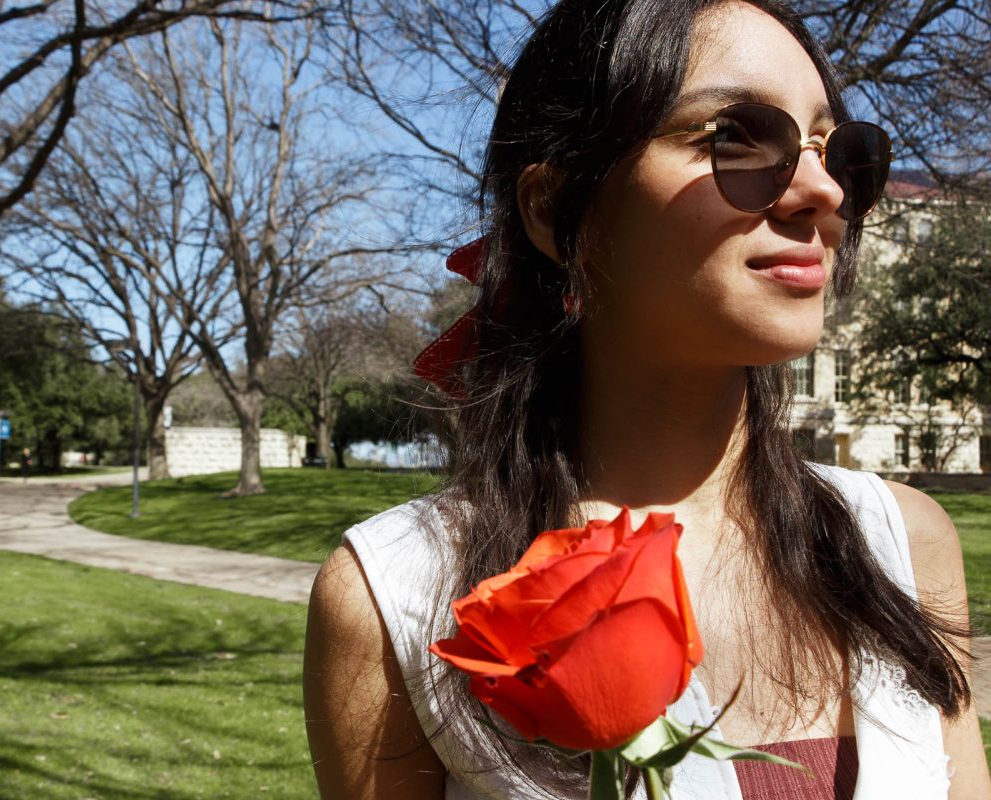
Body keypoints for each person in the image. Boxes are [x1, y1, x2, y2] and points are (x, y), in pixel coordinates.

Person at [303, 1, 990, 798]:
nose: (821, 193)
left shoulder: (901, 546)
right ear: (556, 212)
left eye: (842, 154)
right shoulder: (399, 595)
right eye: (735, 138)